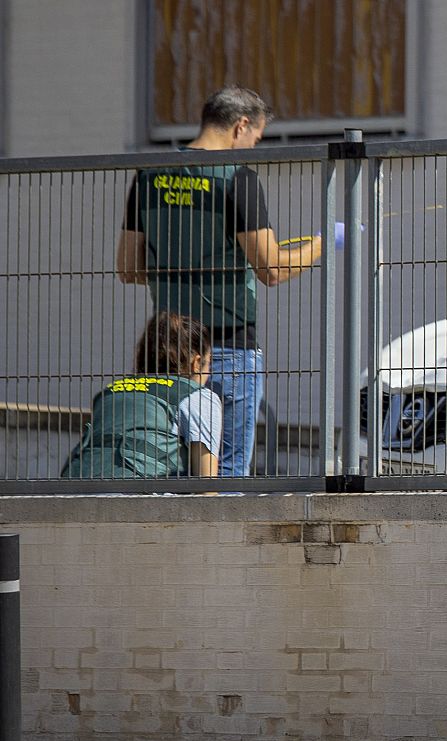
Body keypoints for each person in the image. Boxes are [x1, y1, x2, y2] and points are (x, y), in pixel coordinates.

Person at [115, 86, 323, 477]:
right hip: (229, 346)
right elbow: (272, 270)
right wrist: (317, 247)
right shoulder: (237, 178)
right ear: (241, 126)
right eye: (256, 138)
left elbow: (128, 267)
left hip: (169, 346)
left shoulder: (149, 172)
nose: (253, 148)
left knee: (168, 464)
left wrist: (178, 269)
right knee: (226, 470)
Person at [61, 312, 222, 479]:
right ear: (196, 363)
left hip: (76, 486)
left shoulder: (111, 391)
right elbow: (206, 484)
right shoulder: (199, 396)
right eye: (209, 363)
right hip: (141, 493)